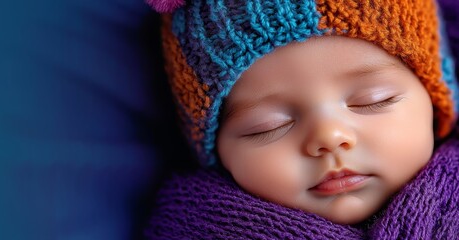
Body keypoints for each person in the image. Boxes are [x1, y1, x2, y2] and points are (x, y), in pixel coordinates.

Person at [145, 0, 459, 238]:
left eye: (373, 101)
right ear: (218, 155)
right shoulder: (193, 224)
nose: (329, 136)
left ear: (435, 101)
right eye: (269, 126)